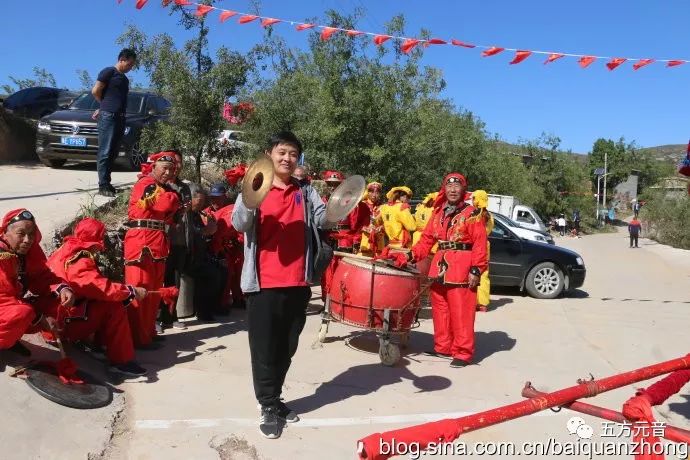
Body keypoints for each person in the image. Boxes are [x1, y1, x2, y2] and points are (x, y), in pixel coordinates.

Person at [232, 131, 329, 439]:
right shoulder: (254, 186)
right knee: (264, 348)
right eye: (282, 152)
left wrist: (344, 204)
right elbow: (238, 223)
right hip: (264, 284)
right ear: (269, 155)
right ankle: (268, 404)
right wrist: (250, 199)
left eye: (293, 154)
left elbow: (324, 218)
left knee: (287, 346)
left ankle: (274, 397)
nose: (288, 158)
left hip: (298, 281)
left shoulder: (306, 190)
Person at [384, 173, 488, 368]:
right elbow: (426, 241)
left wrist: (476, 269)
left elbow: (480, 244)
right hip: (439, 267)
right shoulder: (438, 213)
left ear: (463, 190)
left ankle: (463, 353)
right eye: (449, 187)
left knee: (461, 312)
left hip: (462, 269)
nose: (453, 190)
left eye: (457, 186)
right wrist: (409, 256)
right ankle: (443, 347)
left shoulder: (473, 214)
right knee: (440, 310)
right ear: (444, 189)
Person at [47, 218, 148, 377]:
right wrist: (131, 291)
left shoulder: (64, 249)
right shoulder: (79, 259)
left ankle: (97, 344)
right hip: (59, 326)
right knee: (114, 307)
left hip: (52, 319)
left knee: (100, 302)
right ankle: (122, 361)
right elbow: (102, 288)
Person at [0, 209, 75, 357]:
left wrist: (62, 289)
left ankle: (9, 339)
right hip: (4, 303)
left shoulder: (28, 251)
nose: (27, 240)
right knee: (23, 313)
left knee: (57, 302)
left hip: (11, 304)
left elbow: (43, 277)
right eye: (21, 234)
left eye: (31, 234)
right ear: (5, 233)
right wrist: (40, 318)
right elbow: (3, 297)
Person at [124, 152, 180, 348]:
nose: (168, 172)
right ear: (154, 167)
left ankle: (147, 333)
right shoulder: (145, 183)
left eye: (171, 169)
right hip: (142, 242)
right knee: (140, 288)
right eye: (164, 168)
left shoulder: (161, 188)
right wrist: (174, 196)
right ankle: (137, 338)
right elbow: (164, 204)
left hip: (156, 242)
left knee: (153, 291)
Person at [319, 170, 370, 304]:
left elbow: (357, 224)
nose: (332, 187)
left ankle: (340, 302)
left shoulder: (351, 202)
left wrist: (355, 240)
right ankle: (327, 302)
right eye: (330, 184)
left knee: (342, 271)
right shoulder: (322, 200)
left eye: (336, 184)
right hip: (327, 238)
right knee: (326, 272)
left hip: (344, 240)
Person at [92, 48, 137, 197]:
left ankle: (108, 183)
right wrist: (103, 107)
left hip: (120, 117)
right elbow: (95, 91)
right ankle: (102, 185)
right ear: (122, 59)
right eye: (129, 64)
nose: (130, 68)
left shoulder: (124, 79)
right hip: (109, 116)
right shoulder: (108, 72)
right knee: (105, 151)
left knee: (113, 151)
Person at [158, 151, 191, 332]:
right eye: (172, 163)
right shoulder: (159, 186)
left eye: (178, 163)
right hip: (163, 240)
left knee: (175, 282)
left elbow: (188, 217)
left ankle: (171, 316)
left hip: (180, 241)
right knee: (159, 281)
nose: (175, 167)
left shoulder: (184, 188)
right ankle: (156, 319)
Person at [205, 183, 244, 311]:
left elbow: (240, 230)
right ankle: (222, 302)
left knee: (238, 273)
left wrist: (238, 242)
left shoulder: (232, 209)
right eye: (213, 198)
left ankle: (238, 299)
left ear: (224, 197)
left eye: (218, 197)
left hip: (233, 248)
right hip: (215, 250)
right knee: (226, 275)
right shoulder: (206, 212)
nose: (215, 200)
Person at [472, 190, 494, 313]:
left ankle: (473, 302)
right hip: (485, 247)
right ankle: (483, 304)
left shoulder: (474, 214)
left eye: (473, 198)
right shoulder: (490, 216)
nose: (472, 200)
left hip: (475, 246)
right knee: (484, 276)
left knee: (472, 274)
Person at [358, 182, 385, 256]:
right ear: (368, 192)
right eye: (372, 192)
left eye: (377, 192)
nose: (374, 195)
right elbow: (355, 221)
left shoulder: (383, 207)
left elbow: (387, 223)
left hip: (379, 239)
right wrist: (364, 228)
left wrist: (381, 228)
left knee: (379, 261)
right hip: (365, 238)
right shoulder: (362, 205)